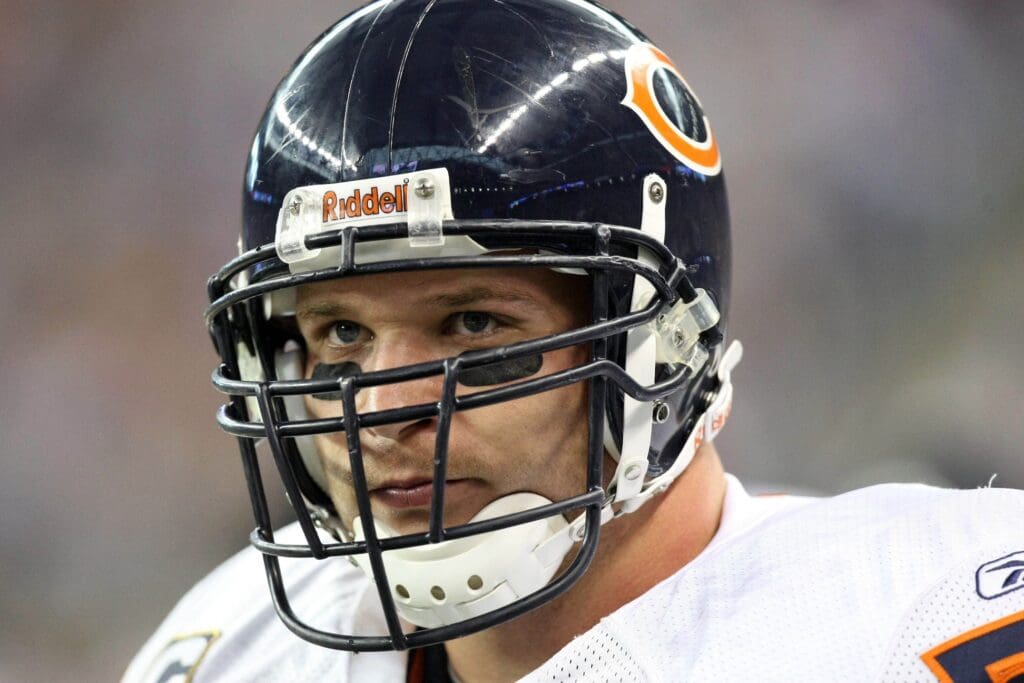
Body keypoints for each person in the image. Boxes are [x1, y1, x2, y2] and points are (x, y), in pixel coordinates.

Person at [123, 0, 1024, 680]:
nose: (385, 409)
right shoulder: (231, 648)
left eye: (472, 323)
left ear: (663, 345)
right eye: (343, 331)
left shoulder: (913, 614)